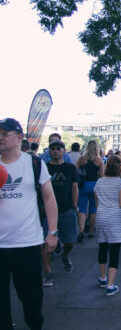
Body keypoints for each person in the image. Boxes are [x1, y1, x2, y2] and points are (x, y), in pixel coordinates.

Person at [0, 118, 58, 330]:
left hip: (26, 244)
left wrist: (52, 232)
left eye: (5, 133)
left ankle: (35, 326)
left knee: (31, 298)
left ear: (18, 137)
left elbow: (49, 199)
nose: (0, 137)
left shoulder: (34, 164)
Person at [42, 140, 79, 287]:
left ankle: (64, 255)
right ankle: (48, 272)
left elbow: (74, 187)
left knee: (70, 242)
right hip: (47, 211)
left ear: (64, 151)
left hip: (66, 209)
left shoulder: (70, 168)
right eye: (53, 149)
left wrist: (75, 206)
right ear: (50, 152)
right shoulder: (44, 167)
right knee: (46, 244)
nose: (55, 151)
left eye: (58, 148)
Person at [95, 155, 121, 296]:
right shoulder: (120, 183)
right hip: (116, 218)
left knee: (103, 247)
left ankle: (103, 278)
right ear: (120, 168)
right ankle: (111, 285)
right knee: (114, 251)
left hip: (101, 216)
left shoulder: (99, 182)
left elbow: (97, 202)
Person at [76, 140, 104, 241]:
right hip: (95, 185)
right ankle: (91, 231)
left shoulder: (82, 159)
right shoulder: (99, 160)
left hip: (83, 185)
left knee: (82, 209)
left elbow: (75, 170)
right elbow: (101, 175)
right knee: (93, 209)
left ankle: (81, 229)